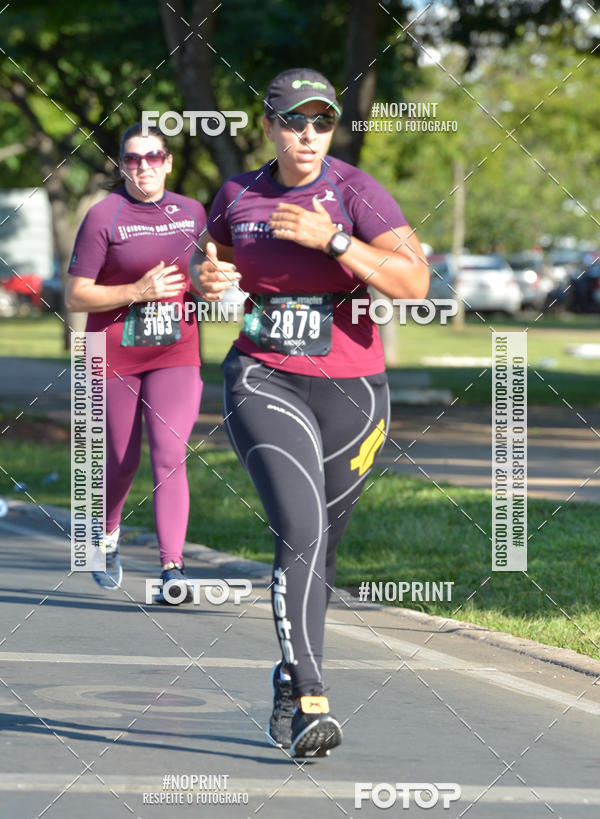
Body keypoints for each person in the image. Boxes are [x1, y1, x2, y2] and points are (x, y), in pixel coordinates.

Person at [190, 68, 429, 758]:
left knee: (322, 544)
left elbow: (414, 282)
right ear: (268, 125)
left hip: (354, 390)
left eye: (321, 122)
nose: (308, 135)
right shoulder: (238, 192)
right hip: (264, 378)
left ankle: (289, 675)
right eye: (294, 121)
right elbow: (215, 263)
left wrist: (335, 242)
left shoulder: (356, 192)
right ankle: (313, 701)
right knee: (299, 530)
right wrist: (212, 280)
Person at [66, 123, 206, 603]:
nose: (143, 166)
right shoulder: (103, 216)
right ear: (121, 165)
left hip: (176, 351)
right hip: (109, 351)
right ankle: (105, 534)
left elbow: (202, 275)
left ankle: (173, 568)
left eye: (152, 157)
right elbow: (76, 293)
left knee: (170, 455)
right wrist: (136, 292)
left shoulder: (192, 212)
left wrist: (217, 283)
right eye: (132, 158)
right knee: (120, 461)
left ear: (167, 160)